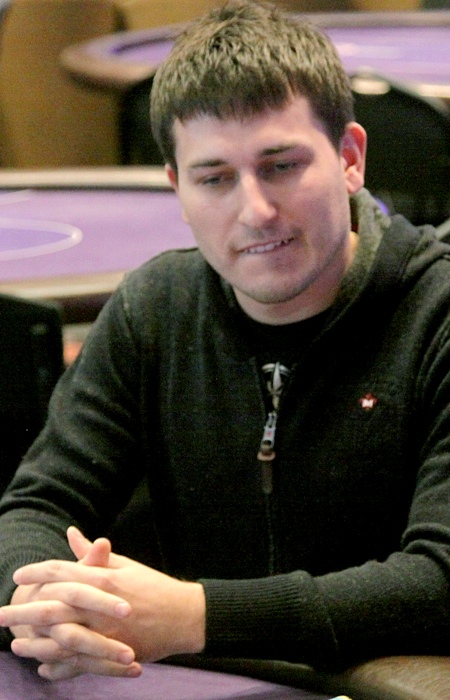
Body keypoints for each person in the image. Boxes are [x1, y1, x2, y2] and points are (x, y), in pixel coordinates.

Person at [1, 0, 450, 683]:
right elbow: (34, 508)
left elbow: (439, 580)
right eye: (215, 179)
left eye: (281, 166)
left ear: (350, 157)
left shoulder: (436, 311)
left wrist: (196, 614)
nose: (255, 211)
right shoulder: (154, 309)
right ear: (177, 188)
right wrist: (45, 603)